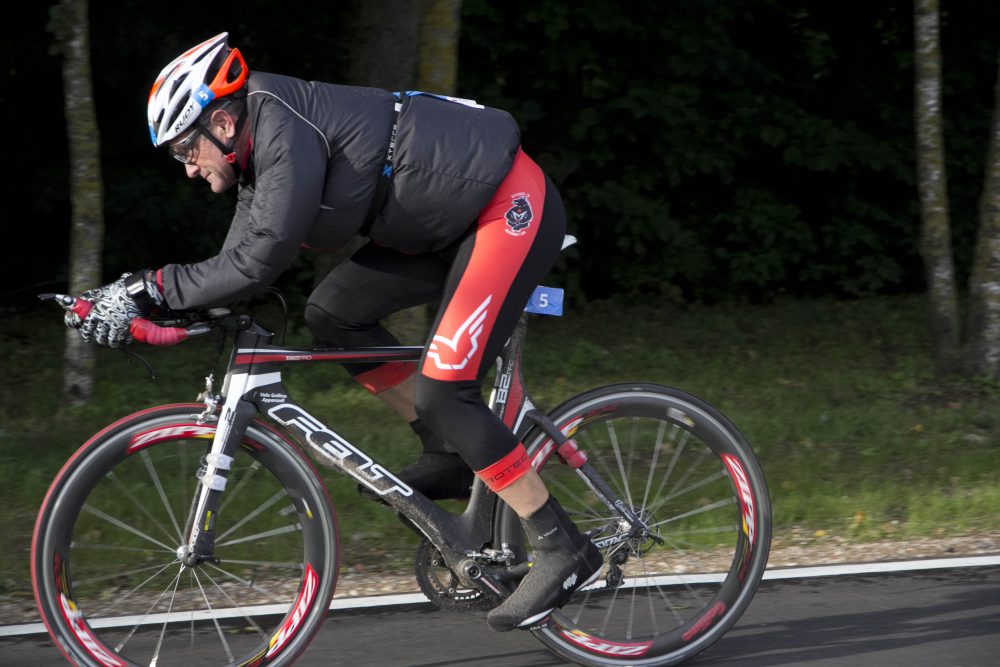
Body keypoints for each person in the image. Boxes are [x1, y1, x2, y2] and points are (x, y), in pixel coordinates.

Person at [65, 32, 602, 631]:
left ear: (221, 121)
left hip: (506, 208)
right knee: (334, 315)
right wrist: (151, 305)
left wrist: (147, 289)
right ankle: (450, 451)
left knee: (446, 390)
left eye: (186, 149)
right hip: (444, 225)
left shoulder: (281, 129)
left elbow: (257, 262)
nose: (188, 168)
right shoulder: (256, 152)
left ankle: (562, 546)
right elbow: (233, 266)